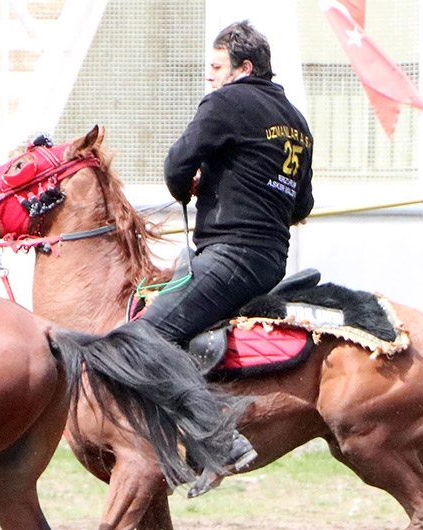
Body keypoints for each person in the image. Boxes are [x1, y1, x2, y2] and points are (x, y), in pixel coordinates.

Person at [138, 21, 314, 486]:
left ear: (244, 68)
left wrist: (186, 187)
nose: (210, 77)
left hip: (230, 255)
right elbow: (302, 205)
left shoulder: (227, 102)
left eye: (216, 67)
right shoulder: (296, 121)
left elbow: (177, 164)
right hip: (270, 259)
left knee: (144, 338)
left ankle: (220, 440)